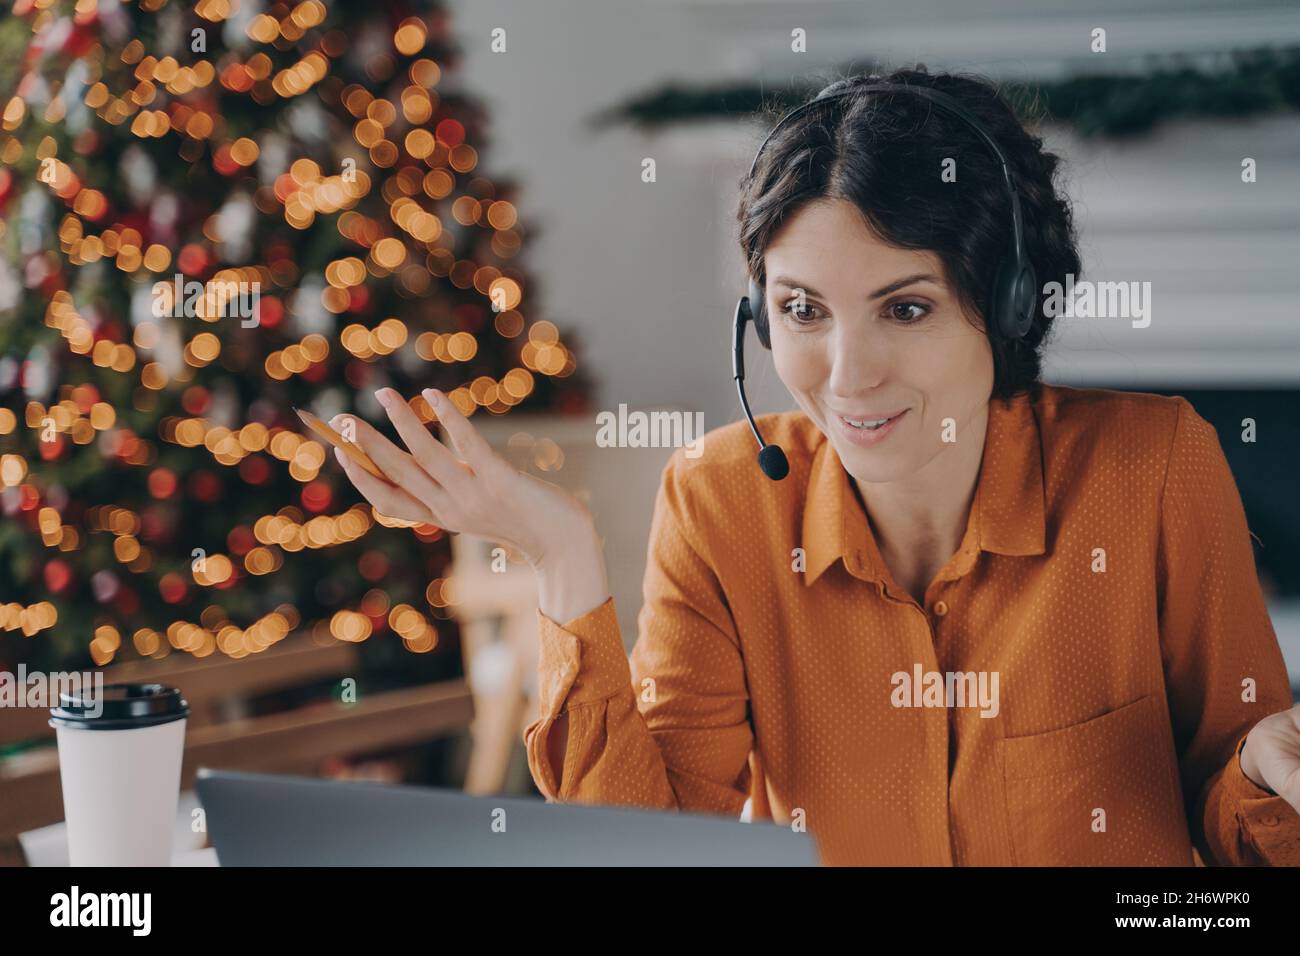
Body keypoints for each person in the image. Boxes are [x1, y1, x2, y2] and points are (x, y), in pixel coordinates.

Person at [329, 67, 1300, 866]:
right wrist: (559, 551)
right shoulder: (718, 502)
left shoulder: (1154, 465)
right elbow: (653, 853)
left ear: (1008, 306)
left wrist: (1257, 770)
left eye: (905, 308)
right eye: (801, 310)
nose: (846, 376)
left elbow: (1236, 834)